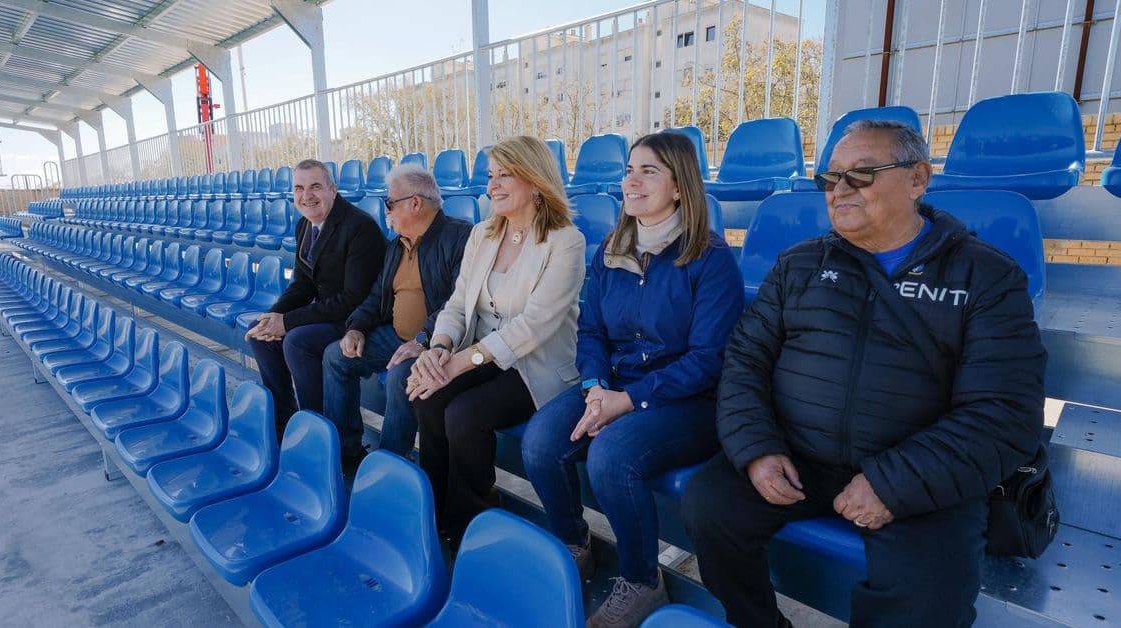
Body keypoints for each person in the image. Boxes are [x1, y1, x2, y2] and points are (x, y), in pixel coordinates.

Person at [680, 120, 1047, 628]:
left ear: (918, 179)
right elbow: (745, 362)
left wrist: (891, 484)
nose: (840, 190)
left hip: (921, 475)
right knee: (708, 506)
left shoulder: (987, 277)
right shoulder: (798, 265)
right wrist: (757, 450)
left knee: (926, 600)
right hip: (798, 454)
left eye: (862, 173)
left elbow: (1003, 412)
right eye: (831, 179)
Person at [523, 132, 745, 628]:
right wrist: (596, 387)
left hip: (690, 399)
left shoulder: (710, 258)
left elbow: (710, 358)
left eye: (649, 171)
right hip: (614, 384)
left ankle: (643, 581)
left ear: (679, 187)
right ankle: (574, 543)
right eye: (629, 170)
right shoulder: (612, 249)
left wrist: (630, 400)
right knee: (540, 439)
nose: (632, 180)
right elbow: (592, 330)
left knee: (611, 456)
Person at [409, 135, 586, 539]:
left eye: (506, 175)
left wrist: (459, 363)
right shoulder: (483, 234)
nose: (493, 186)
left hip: (535, 364)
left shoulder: (566, 242)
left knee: (464, 415)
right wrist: (439, 350)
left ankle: (474, 518)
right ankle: (436, 510)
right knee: (427, 391)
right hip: (479, 352)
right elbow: (457, 304)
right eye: (491, 176)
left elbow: (534, 326)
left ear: (536, 181)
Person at [322, 164, 472, 458]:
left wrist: (422, 339)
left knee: (401, 375)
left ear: (415, 203)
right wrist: (357, 327)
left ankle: (390, 464)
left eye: (390, 202)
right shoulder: (396, 246)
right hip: (396, 338)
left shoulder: (460, 238)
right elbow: (377, 294)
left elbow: (458, 302)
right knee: (335, 355)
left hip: (438, 345)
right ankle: (346, 452)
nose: (386, 210)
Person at [246, 158, 386, 460]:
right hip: (328, 313)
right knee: (258, 334)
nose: (306, 196)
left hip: (358, 321)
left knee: (298, 341)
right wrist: (273, 316)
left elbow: (352, 299)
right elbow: (302, 285)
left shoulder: (359, 228)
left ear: (333, 190)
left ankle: (317, 431)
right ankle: (286, 423)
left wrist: (288, 323)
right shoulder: (304, 226)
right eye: (298, 188)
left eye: (315, 187)